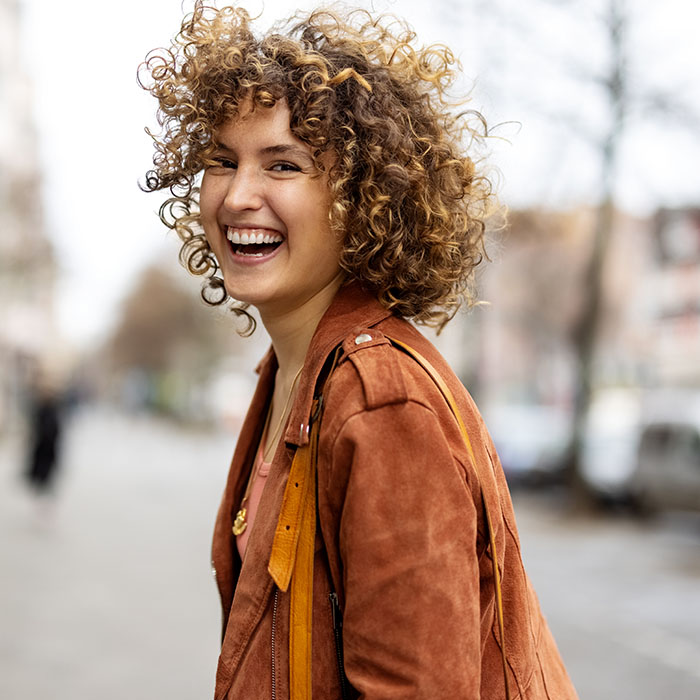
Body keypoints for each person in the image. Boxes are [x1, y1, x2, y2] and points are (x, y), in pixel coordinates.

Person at [140, 3, 579, 698]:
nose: (237, 195)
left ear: (363, 197)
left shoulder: (380, 401)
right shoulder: (296, 372)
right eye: (223, 161)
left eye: (283, 165)